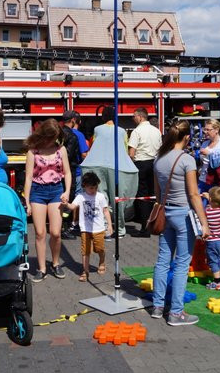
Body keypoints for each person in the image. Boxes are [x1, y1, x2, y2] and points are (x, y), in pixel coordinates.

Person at [150, 120, 209, 326]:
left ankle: (157, 306)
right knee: (183, 263)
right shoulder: (187, 160)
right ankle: (176, 312)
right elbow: (193, 194)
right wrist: (204, 223)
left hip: (165, 213)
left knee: (163, 260)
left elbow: (157, 194)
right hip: (183, 215)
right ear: (186, 138)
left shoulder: (159, 159)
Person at [23, 118, 71, 282]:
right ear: (44, 135)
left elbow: (68, 173)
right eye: (51, 136)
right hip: (38, 191)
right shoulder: (33, 152)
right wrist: (27, 201)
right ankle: (42, 268)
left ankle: (55, 263)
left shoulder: (61, 150)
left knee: (56, 233)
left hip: (56, 190)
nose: (53, 140)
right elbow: (28, 177)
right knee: (40, 232)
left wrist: (67, 191)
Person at [80, 106, 138, 238]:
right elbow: (124, 148)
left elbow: (93, 144)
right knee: (117, 198)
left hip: (97, 165)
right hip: (116, 166)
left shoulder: (97, 129)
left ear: (103, 117)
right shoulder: (122, 131)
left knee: (101, 198)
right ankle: (121, 229)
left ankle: (106, 228)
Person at [60, 172, 112, 282]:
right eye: (91, 188)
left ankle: (102, 261)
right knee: (85, 251)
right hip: (85, 229)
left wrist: (110, 225)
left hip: (99, 229)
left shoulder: (101, 196)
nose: (94, 190)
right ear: (84, 186)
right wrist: (66, 203)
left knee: (99, 249)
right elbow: (72, 206)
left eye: (95, 187)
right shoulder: (80, 197)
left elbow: (106, 211)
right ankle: (85, 271)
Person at [128, 107, 162, 238]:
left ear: (140, 117)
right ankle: (155, 224)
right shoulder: (156, 131)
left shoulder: (137, 131)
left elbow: (131, 153)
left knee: (142, 195)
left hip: (141, 163)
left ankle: (145, 228)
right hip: (154, 163)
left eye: (134, 116)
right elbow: (160, 149)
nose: (133, 118)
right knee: (153, 195)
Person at [60, 110, 90, 239]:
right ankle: (65, 228)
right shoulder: (72, 136)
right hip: (70, 171)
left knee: (62, 198)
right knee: (69, 198)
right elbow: (69, 155)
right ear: (73, 120)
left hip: (59, 172)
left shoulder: (59, 132)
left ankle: (62, 226)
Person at [197, 119, 220, 198]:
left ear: (216, 130)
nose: (205, 132)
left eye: (208, 130)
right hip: (203, 180)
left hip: (217, 182)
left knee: (215, 208)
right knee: (199, 207)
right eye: (205, 129)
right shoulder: (205, 143)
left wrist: (210, 154)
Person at [200, 186, 220, 290]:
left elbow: (203, 212)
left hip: (212, 242)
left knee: (213, 262)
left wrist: (207, 199)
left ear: (211, 200)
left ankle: (216, 282)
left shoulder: (208, 212)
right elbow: (218, 203)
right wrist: (210, 199)